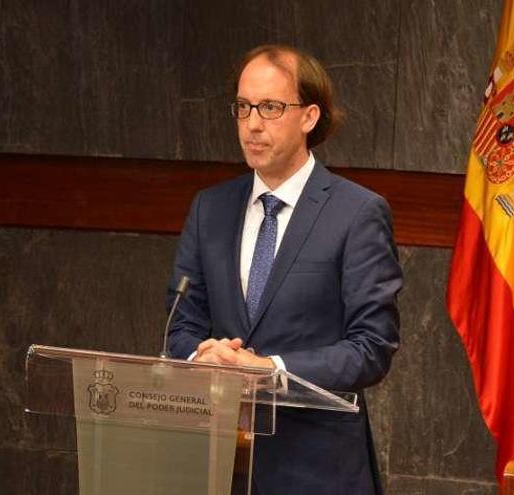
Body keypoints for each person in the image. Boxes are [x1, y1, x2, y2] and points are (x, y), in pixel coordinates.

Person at [166, 44, 402, 495]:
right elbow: (181, 324)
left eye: (271, 108)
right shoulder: (209, 209)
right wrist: (204, 357)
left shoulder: (357, 213)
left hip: (318, 471)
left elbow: (372, 347)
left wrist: (268, 368)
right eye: (243, 107)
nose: (252, 124)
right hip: (219, 466)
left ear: (309, 117)